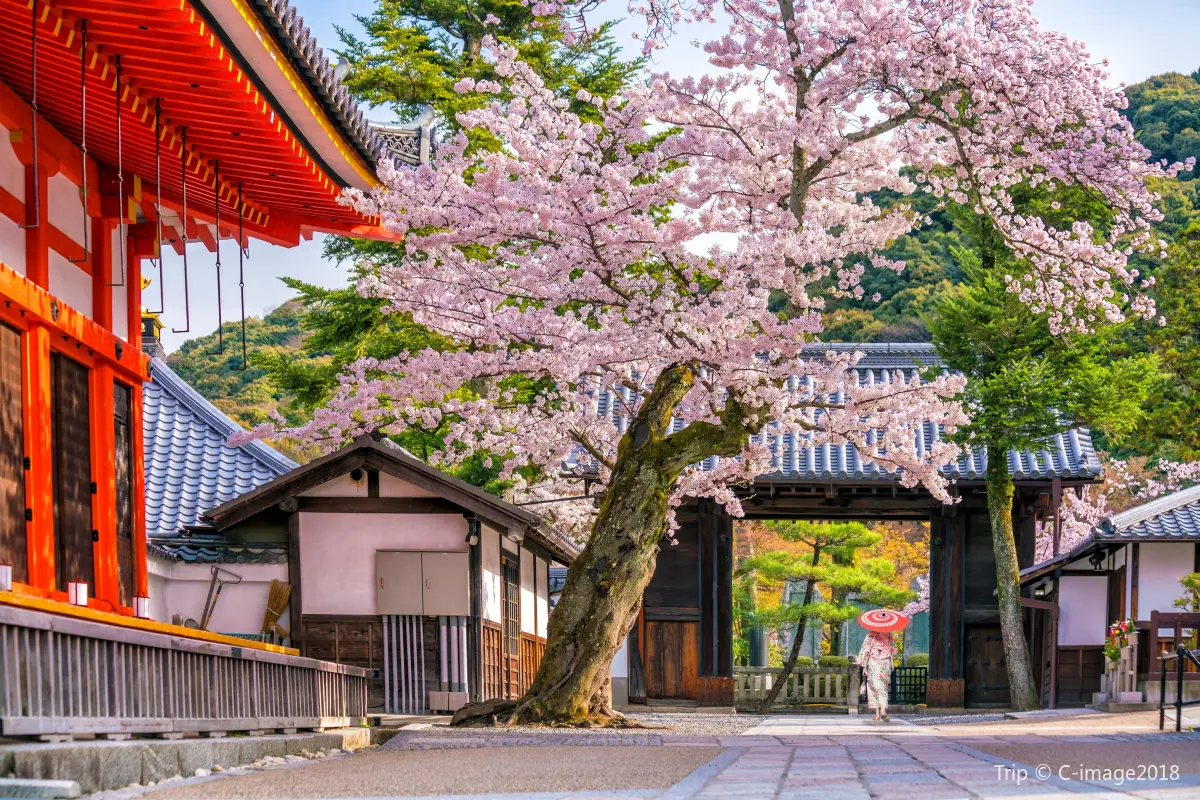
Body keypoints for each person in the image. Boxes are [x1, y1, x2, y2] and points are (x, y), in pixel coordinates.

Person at [857, 630, 897, 720]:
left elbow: (865, 651)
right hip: (885, 662)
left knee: (873, 686)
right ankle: (882, 710)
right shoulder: (889, 634)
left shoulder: (870, 635)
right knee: (882, 686)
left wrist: (864, 666)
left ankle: (878, 714)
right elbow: (895, 652)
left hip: (873, 662)